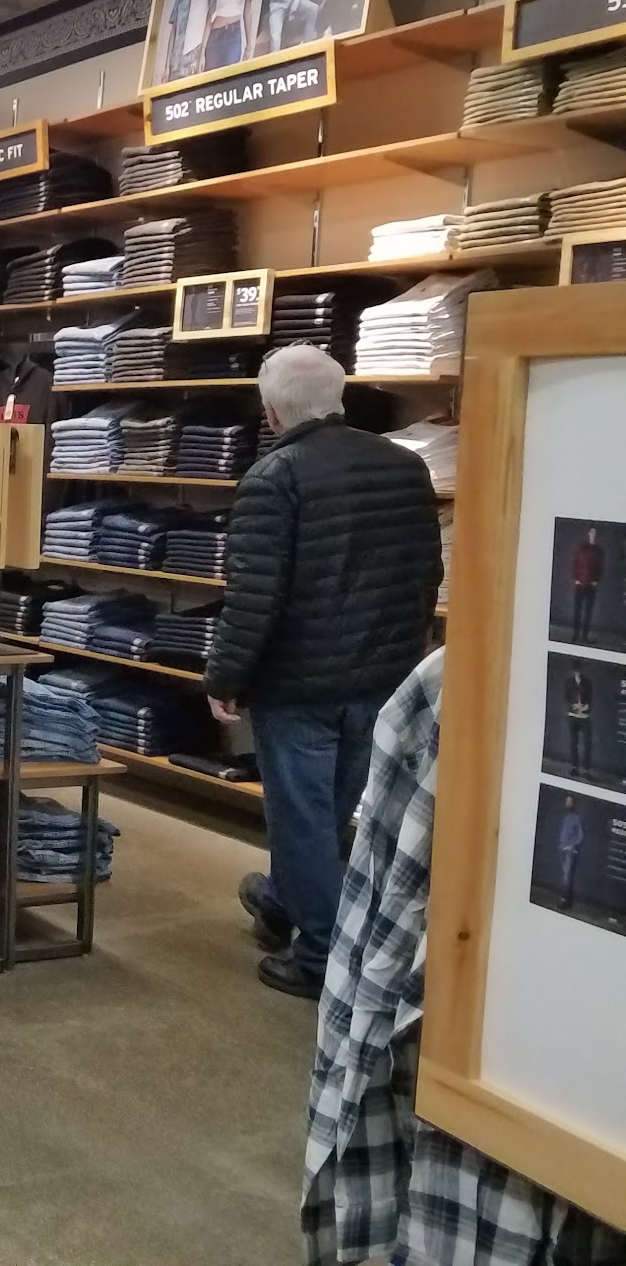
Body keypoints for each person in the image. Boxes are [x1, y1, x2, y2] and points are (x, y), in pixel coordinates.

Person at [202, 344, 444, 997]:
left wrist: (224, 677)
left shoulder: (273, 477)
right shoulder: (405, 467)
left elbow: (255, 597)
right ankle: (283, 900)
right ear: (338, 398)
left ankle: (320, 956)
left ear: (271, 412)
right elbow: (427, 573)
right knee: (333, 810)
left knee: (303, 817)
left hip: (298, 682)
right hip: (383, 673)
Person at [570, 524, 604, 642]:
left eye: (595, 533)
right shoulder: (581, 548)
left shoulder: (599, 551)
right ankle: (575, 635)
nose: (593, 535)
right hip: (580, 584)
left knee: (588, 612)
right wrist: (576, 579)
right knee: (577, 611)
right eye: (592, 533)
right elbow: (575, 563)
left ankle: (584, 636)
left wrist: (596, 580)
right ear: (589, 534)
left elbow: (600, 567)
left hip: (591, 585)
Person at [566, 659, 594, 779]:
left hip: (585, 716)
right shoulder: (569, 682)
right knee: (573, 743)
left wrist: (586, 706)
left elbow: (590, 698)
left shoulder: (587, 682)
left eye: (578, 670)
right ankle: (574, 767)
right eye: (575, 670)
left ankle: (586, 770)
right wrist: (573, 706)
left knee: (587, 743)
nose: (577, 672)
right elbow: (566, 697)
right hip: (573, 716)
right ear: (573, 671)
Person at [556, 796, 584, 911]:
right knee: (565, 877)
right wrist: (561, 845)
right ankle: (568, 901)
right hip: (562, 850)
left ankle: (564, 901)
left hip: (570, 852)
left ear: (573, 803)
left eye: (570, 801)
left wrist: (571, 846)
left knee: (567, 877)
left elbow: (580, 837)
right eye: (566, 801)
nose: (567, 803)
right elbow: (563, 834)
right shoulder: (565, 817)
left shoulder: (576, 818)